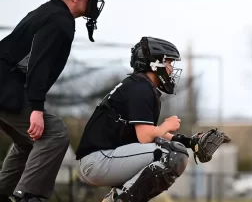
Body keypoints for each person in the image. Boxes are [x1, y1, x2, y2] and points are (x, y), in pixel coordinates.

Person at [74, 36, 230, 202]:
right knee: (172, 155)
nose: (171, 68)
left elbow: (154, 136)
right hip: (98, 160)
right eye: (169, 62)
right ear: (155, 63)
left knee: (171, 150)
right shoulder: (140, 88)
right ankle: (117, 199)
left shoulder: (140, 86)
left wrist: (189, 142)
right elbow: (146, 137)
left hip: (102, 158)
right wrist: (166, 125)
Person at [0, 0, 107, 202]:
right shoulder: (60, 20)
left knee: (29, 140)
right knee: (55, 133)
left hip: (7, 84)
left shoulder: (46, 12)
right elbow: (38, 63)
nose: (93, 2)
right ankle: (29, 196)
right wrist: (36, 108)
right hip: (6, 86)